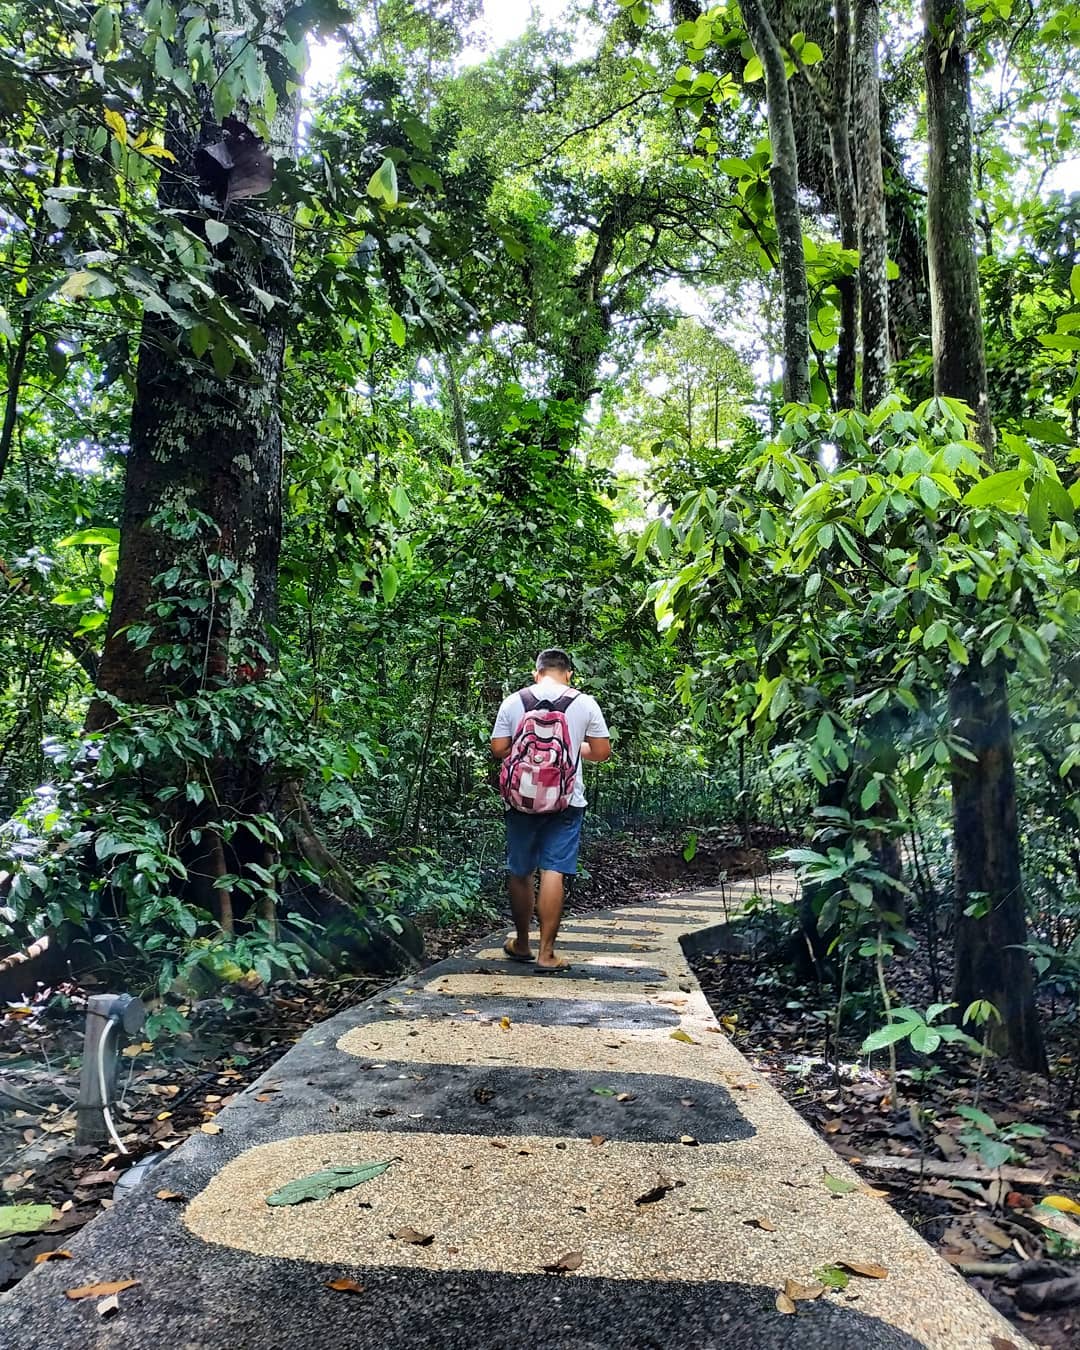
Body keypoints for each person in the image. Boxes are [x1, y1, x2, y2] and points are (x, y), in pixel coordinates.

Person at [490, 648, 611, 970]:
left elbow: (499, 749)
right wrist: (572, 746)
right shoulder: (584, 703)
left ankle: (522, 943)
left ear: (536, 673)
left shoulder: (515, 701)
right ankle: (547, 953)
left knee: (520, 871)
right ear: (569, 673)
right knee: (553, 869)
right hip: (566, 799)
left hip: (520, 800)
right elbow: (601, 752)